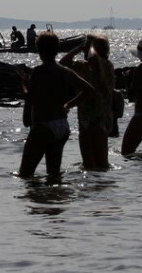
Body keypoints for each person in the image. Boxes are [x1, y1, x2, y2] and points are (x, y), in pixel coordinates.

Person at [19, 32, 94, 178]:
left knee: (25, 175)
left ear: (39, 50)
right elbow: (89, 90)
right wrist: (68, 105)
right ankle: (55, 196)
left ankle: (33, 200)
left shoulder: (38, 72)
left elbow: (29, 98)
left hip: (43, 125)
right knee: (54, 175)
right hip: (62, 126)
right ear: (56, 49)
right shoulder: (65, 71)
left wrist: (22, 84)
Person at [59, 34, 114, 170]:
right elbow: (62, 64)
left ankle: (100, 188)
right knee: (88, 165)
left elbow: (94, 59)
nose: (85, 52)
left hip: (99, 116)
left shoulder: (104, 65)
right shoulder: (84, 66)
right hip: (84, 117)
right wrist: (78, 48)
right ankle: (90, 188)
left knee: (101, 165)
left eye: (87, 49)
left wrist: (90, 46)